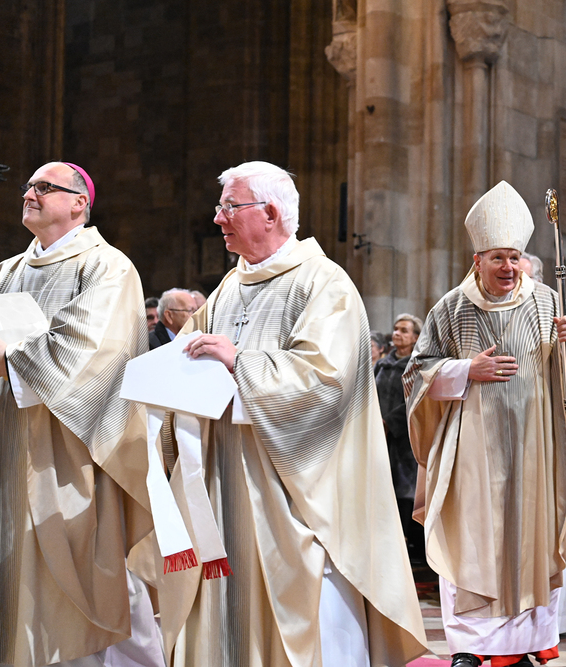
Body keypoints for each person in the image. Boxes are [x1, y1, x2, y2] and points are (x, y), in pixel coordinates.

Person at [167, 161, 426, 665]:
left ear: (269, 213)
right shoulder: (226, 289)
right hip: (224, 488)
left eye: (229, 207)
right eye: (220, 207)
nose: (217, 218)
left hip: (295, 501)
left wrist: (240, 362)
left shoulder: (325, 284)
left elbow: (325, 381)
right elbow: (183, 358)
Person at [0, 162, 165, 666]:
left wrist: (11, 360)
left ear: (78, 203)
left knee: (91, 589)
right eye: (28, 186)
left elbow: (95, 348)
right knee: (6, 582)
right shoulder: (0, 274)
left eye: (44, 187)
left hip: (69, 457)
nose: (29, 193)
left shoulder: (107, 267)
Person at [404, 180, 566, 667]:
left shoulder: (550, 303)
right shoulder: (451, 307)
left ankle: (527, 643)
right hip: (470, 451)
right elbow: (416, 373)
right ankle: (470, 646)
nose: (508, 267)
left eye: (514, 258)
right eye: (498, 258)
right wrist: (465, 370)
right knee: (471, 543)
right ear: (478, 261)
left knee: (529, 542)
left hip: (536, 449)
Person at [374, 312, 425, 563]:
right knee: (380, 485)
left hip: (405, 437)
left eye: (404, 330)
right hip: (379, 435)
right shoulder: (382, 364)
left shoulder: (418, 365)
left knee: (404, 488)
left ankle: (407, 545)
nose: (397, 333)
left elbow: (416, 399)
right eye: (396, 329)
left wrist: (389, 422)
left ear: (415, 337)